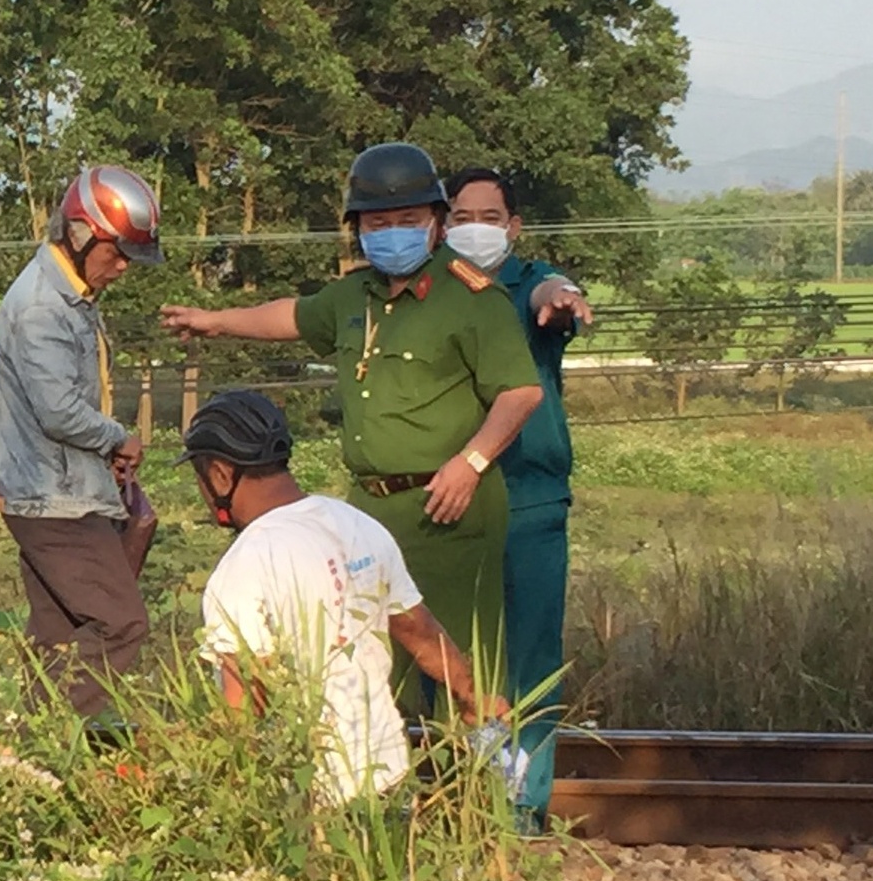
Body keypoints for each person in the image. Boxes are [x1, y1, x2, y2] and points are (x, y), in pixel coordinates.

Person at [161, 143, 543, 711]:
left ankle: (481, 795)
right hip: (367, 513)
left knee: (466, 672)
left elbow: (521, 392)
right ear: (358, 228)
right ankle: (389, 794)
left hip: (450, 509)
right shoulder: (352, 296)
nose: (393, 233)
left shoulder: (473, 300)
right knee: (372, 675)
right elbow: (291, 316)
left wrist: (473, 463)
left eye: (408, 221)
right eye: (378, 222)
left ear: (436, 223)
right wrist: (214, 321)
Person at [183, 390, 505, 802]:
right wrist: (470, 693)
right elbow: (419, 630)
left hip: (310, 797)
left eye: (200, 478)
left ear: (221, 474)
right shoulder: (355, 523)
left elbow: (244, 704)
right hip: (388, 779)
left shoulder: (243, 564)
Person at [444, 167, 593, 821]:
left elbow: (555, 293)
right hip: (449, 502)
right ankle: (465, 796)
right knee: (452, 657)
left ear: (512, 226)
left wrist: (564, 297)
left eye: (487, 216)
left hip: (527, 498)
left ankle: (521, 807)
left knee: (529, 658)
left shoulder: (527, 282)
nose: (473, 228)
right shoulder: (428, 292)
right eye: (459, 216)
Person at [0, 165, 162, 717]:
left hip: (62, 491)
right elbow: (58, 410)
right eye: (116, 254)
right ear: (82, 234)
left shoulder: (73, 295)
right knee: (121, 624)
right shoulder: (43, 307)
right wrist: (118, 438)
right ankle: (65, 736)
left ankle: (39, 763)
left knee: (57, 637)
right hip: (54, 500)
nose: (122, 268)